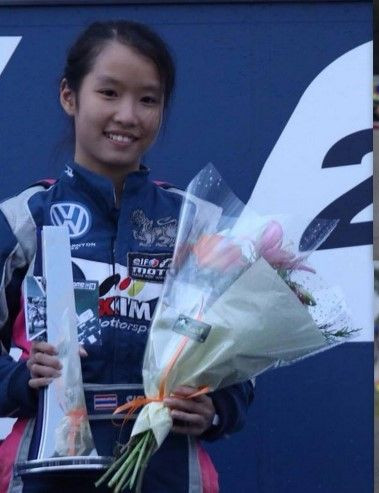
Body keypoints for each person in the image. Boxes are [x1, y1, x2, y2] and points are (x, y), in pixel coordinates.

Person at [0, 20, 253, 493]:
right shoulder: (23, 219)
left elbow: (239, 358)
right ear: (69, 96)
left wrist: (216, 408)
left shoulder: (194, 224)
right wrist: (19, 380)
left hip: (169, 472)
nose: (128, 115)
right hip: (42, 474)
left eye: (148, 100)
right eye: (109, 93)